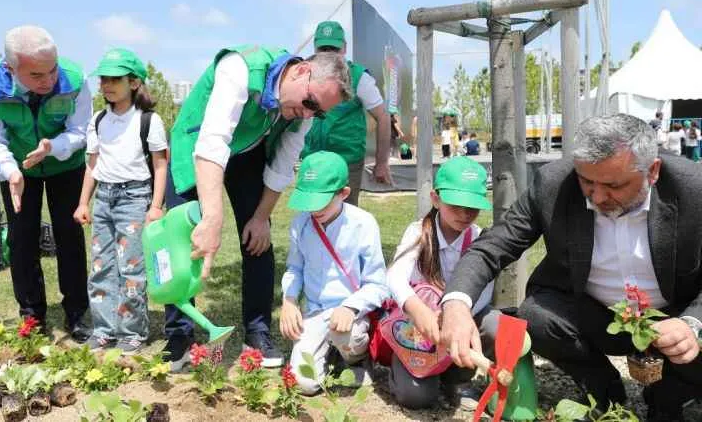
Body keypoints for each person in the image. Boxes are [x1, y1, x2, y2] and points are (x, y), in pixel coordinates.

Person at [438, 114, 702, 422]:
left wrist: (692, 324)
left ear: (652, 172)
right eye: (587, 182)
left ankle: (670, 395)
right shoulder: (553, 183)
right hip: (594, 315)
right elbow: (492, 247)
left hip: (674, 319)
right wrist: (456, 303)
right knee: (537, 315)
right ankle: (602, 390)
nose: (598, 196)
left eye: (614, 185)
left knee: (681, 378)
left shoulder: (693, 189)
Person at [163, 44, 351, 370]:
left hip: (247, 150)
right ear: (301, 70)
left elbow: (282, 165)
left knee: (258, 239)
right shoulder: (240, 69)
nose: (308, 115)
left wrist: (262, 217)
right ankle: (179, 334)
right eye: (309, 104)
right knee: (180, 238)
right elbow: (213, 141)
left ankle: (258, 330)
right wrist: (211, 217)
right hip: (196, 143)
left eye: (317, 113)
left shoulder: (301, 112)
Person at [0, 25, 91, 341]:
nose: (49, 81)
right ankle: (32, 316)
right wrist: (10, 171)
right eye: (37, 75)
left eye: (52, 70)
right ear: (10, 68)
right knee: (22, 237)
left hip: (65, 163)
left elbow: (80, 132)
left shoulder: (75, 79)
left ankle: (77, 313)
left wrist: (53, 146)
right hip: (18, 169)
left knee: (69, 235)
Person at [73, 49, 168, 355]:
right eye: (104, 79)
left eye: (116, 79)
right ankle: (103, 330)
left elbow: (160, 166)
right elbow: (92, 164)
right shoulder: (98, 120)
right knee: (100, 266)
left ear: (135, 82)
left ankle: (132, 331)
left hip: (134, 198)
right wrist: (83, 202)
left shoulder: (148, 121)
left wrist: (155, 206)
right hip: (103, 199)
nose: (107, 85)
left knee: (131, 268)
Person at [385, 156, 497, 409]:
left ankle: (457, 378)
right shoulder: (418, 233)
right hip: (419, 332)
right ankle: (404, 366)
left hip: (460, 321)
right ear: (435, 199)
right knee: (416, 398)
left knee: (494, 324)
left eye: (473, 207)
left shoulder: (479, 238)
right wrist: (417, 309)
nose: (465, 214)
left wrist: (457, 317)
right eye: (456, 205)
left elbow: (485, 291)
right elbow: (394, 276)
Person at [280, 151, 388, 395]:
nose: (314, 209)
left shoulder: (363, 224)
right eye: (309, 201)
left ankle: (355, 359)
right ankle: (328, 357)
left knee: (344, 336)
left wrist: (350, 307)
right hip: (316, 312)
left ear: (344, 193)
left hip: (352, 312)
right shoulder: (301, 224)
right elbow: (295, 267)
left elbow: (378, 284)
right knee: (303, 384)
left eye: (322, 201)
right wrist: (288, 299)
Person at [301, 21, 393, 206]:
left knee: (345, 218)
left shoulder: (359, 77)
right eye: (323, 48)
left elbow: (383, 117)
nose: (328, 54)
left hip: (347, 164)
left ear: (344, 48)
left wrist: (381, 162)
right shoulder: (304, 73)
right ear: (315, 48)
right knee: (311, 215)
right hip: (312, 161)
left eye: (333, 48)